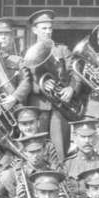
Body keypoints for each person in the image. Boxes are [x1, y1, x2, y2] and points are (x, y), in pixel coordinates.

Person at [26, 9, 82, 157]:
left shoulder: (62, 50)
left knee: (60, 147)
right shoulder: (28, 53)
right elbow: (25, 81)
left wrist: (71, 88)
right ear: (34, 30)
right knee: (38, 146)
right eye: (44, 28)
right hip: (39, 105)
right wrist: (40, 86)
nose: (48, 31)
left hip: (60, 106)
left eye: (50, 28)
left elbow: (76, 72)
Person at [0, 133, 63, 198]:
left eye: (38, 151)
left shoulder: (53, 171)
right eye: (31, 152)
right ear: (25, 152)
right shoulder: (16, 173)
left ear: (44, 151)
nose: (35, 156)